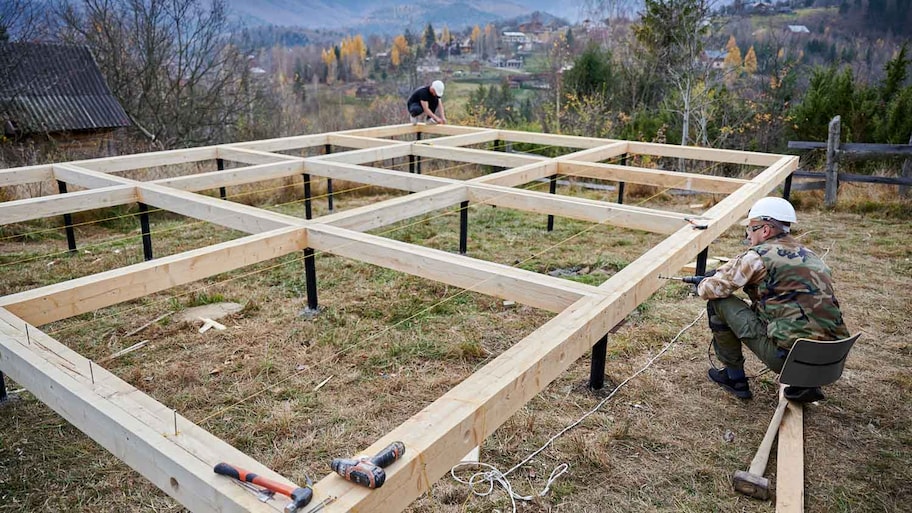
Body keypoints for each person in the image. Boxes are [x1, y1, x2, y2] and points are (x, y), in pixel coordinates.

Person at [696, 197, 850, 402]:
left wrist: (704, 281)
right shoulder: (810, 255)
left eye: (751, 229)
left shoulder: (757, 257)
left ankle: (735, 379)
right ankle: (805, 383)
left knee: (719, 303)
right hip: (833, 359)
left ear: (766, 230)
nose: (748, 235)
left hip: (790, 359)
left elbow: (713, 290)